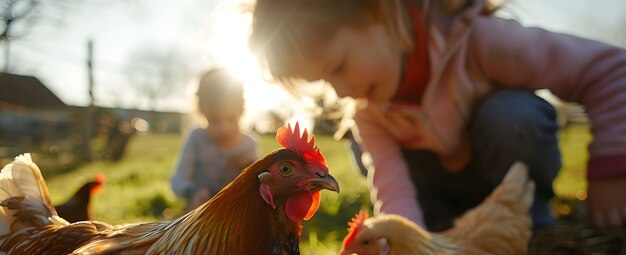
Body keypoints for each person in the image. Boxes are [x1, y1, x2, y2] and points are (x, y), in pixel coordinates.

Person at [249, 0, 626, 230]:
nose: (342, 91)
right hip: (439, 193)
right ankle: (441, 224)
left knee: (513, 116)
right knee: (365, 151)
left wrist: (612, 169)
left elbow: (609, 71)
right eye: (326, 81)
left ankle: (529, 224)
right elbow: (393, 190)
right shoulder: (370, 113)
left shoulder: (479, 40)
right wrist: (409, 248)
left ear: (380, 10)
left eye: (340, 66)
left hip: (506, 180)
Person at [171, 68, 258, 211]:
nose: (224, 128)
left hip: (236, 212)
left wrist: (249, 169)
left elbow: (260, 184)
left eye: (231, 118)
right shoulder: (197, 139)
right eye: (214, 120)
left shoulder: (248, 145)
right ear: (202, 112)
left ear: (242, 111)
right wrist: (192, 192)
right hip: (201, 212)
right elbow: (178, 180)